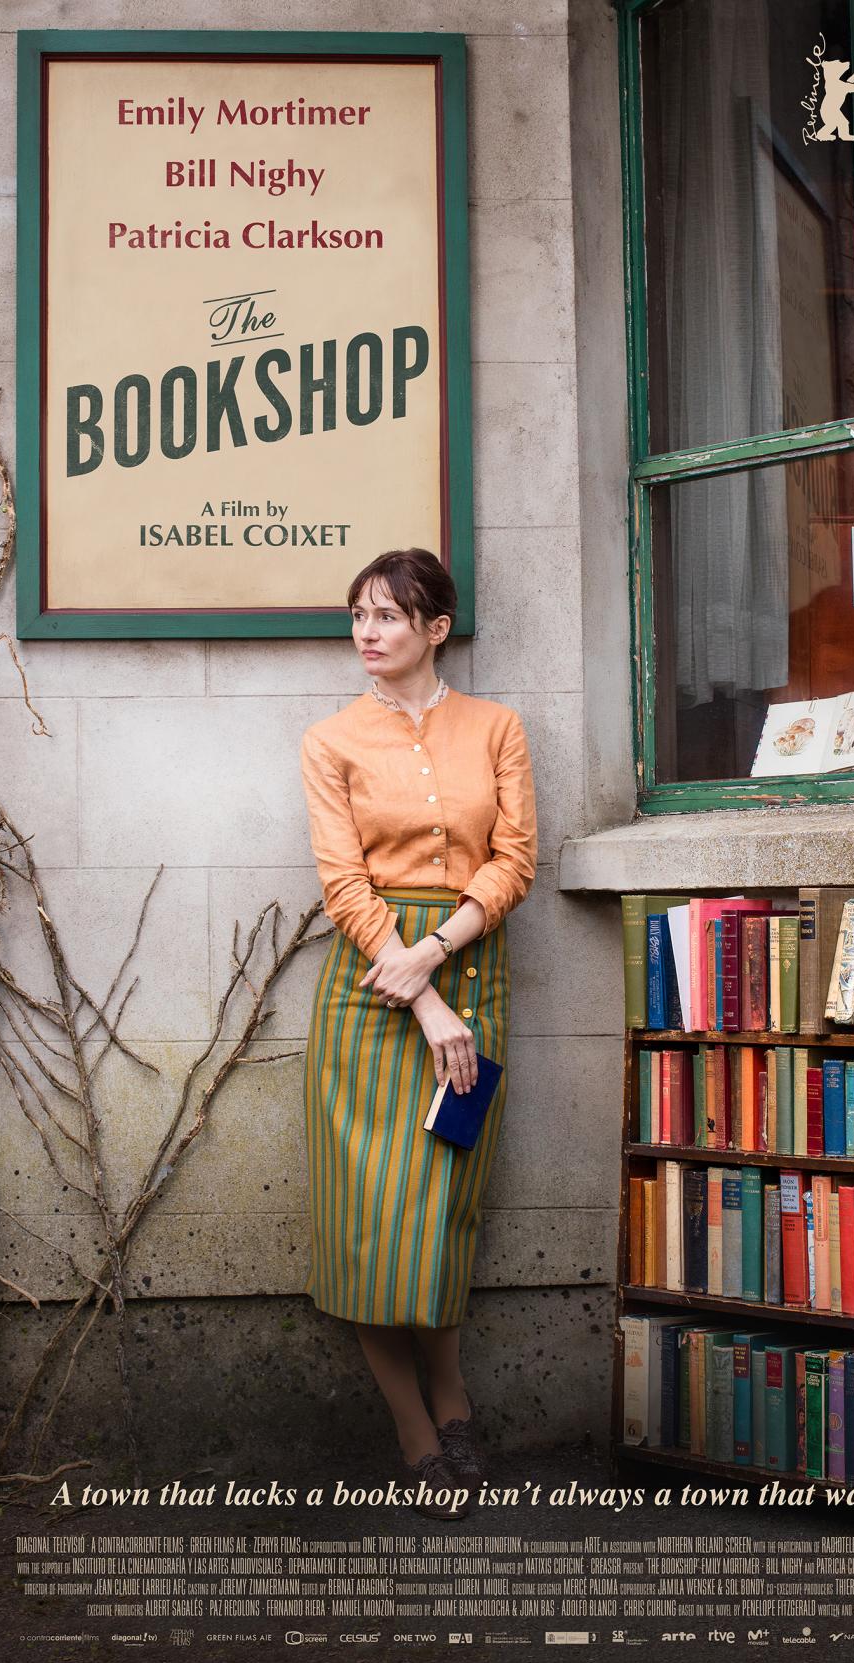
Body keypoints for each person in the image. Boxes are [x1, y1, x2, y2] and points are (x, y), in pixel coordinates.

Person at [299, 547, 537, 1520]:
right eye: (358, 616)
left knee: (438, 1214)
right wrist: (419, 989)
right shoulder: (329, 741)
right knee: (368, 1225)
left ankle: (454, 1396)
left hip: (468, 965)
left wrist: (438, 952)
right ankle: (414, 1427)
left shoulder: (498, 728)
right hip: (370, 992)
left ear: (435, 627)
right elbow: (343, 883)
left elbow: (516, 858)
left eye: (388, 617)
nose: (367, 633)